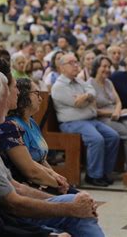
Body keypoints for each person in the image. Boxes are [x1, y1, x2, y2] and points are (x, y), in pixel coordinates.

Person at [0, 69, 101, 236]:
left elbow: (15, 185)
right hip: (10, 213)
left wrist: (68, 198)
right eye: (8, 94)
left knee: (78, 204)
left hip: (18, 202)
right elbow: (11, 202)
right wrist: (66, 208)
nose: (14, 97)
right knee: (76, 212)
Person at [51, 54, 120, 186]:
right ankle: (93, 175)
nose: (76, 65)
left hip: (90, 120)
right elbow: (78, 103)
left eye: (76, 62)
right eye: (71, 63)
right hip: (71, 123)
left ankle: (104, 172)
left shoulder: (80, 81)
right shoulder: (59, 86)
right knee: (96, 139)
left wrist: (86, 96)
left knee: (113, 136)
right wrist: (87, 99)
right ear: (62, 68)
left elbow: (92, 92)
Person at [0, 78, 72, 193]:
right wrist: (57, 183)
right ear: (23, 95)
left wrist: (57, 177)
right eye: (36, 93)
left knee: (81, 197)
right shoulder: (11, 125)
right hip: (27, 185)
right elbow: (30, 170)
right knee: (79, 201)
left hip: (43, 179)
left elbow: (42, 159)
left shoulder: (31, 122)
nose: (40, 98)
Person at [88, 56, 127, 169]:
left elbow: (118, 101)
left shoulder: (108, 82)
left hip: (116, 114)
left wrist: (118, 111)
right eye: (104, 66)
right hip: (102, 118)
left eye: (109, 67)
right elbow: (94, 111)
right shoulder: (90, 84)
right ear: (96, 68)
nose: (107, 69)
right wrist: (113, 113)